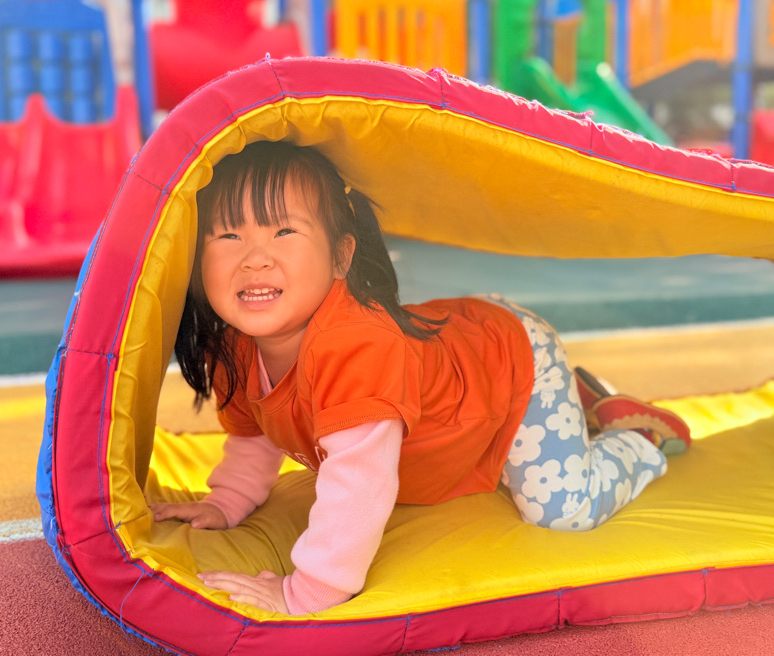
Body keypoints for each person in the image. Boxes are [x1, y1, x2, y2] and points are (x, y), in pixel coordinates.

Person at [150, 140, 691, 615]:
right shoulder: (234, 344)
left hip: (511, 365)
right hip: (455, 358)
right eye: (228, 235)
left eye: (284, 231)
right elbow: (253, 435)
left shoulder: (356, 348)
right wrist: (226, 502)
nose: (255, 259)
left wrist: (307, 592)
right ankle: (578, 406)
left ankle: (635, 437)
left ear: (341, 257)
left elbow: (361, 484)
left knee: (565, 511)